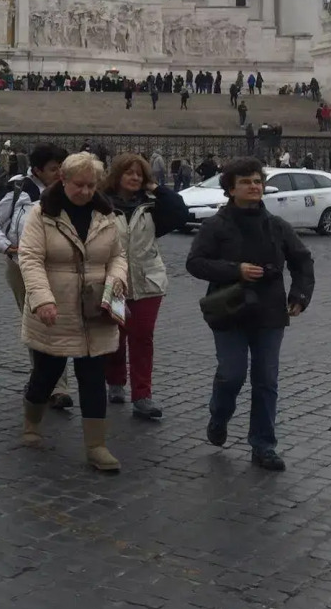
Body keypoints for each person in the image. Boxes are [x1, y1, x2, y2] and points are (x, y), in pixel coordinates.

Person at [187, 158, 314, 471]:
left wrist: (299, 295)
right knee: (232, 374)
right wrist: (236, 270)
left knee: (266, 379)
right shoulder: (215, 225)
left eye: (257, 181)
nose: (254, 186)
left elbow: (302, 261)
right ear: (231, 189)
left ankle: (263, 444)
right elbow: (196, 263)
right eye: (246, 182)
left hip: (270, 311)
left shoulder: (277, 226)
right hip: (229, 309)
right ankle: (219, 415)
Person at [18, 152, 128, 472]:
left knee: (93, 377)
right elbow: (30, 258)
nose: (86, 192)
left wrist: (117, 279)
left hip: (97, 307)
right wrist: (42, 299)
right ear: (62, 181)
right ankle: (31, 423)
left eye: (92, 186)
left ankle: (97, 446)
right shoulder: (41, 214)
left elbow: (118, 256)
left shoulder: (106, 214)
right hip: (56, 306)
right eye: (79, 185)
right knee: (47, 374)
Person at [0, 143, 74, 409]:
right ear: (37, 170)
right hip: (23, 267)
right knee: (39, 323)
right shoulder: (19, 189)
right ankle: (49, 383)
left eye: (62, 168)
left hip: (61, 267)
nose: (59, 174)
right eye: (54, 169)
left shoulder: (73, 191)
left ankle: (54, 384)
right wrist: (7, 246)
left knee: (59, 323)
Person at [101, 154, 191, 419]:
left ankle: (143, 395)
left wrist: (156, 187)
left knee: (143, 336)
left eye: (139, 174)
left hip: (148, 282)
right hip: (114, 282)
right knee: (116, 335)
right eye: (129, 173)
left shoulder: (153, 205)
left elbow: (180, 211)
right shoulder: (102, 205)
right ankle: (115, 383)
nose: (135, 178)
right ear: (117, 175)